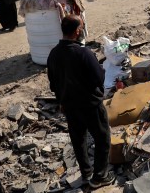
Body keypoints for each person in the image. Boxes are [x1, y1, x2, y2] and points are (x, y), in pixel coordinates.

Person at [47, 15, 115, 190]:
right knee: (102, 138)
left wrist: (62, 100)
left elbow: (53, 83)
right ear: (77, 31)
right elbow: (99, 78)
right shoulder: (83, 53)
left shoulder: (54, 53)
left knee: (78, 140)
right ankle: (99, 177)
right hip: (90, 105)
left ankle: (86, 173)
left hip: (69, 106)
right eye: (81, 27)